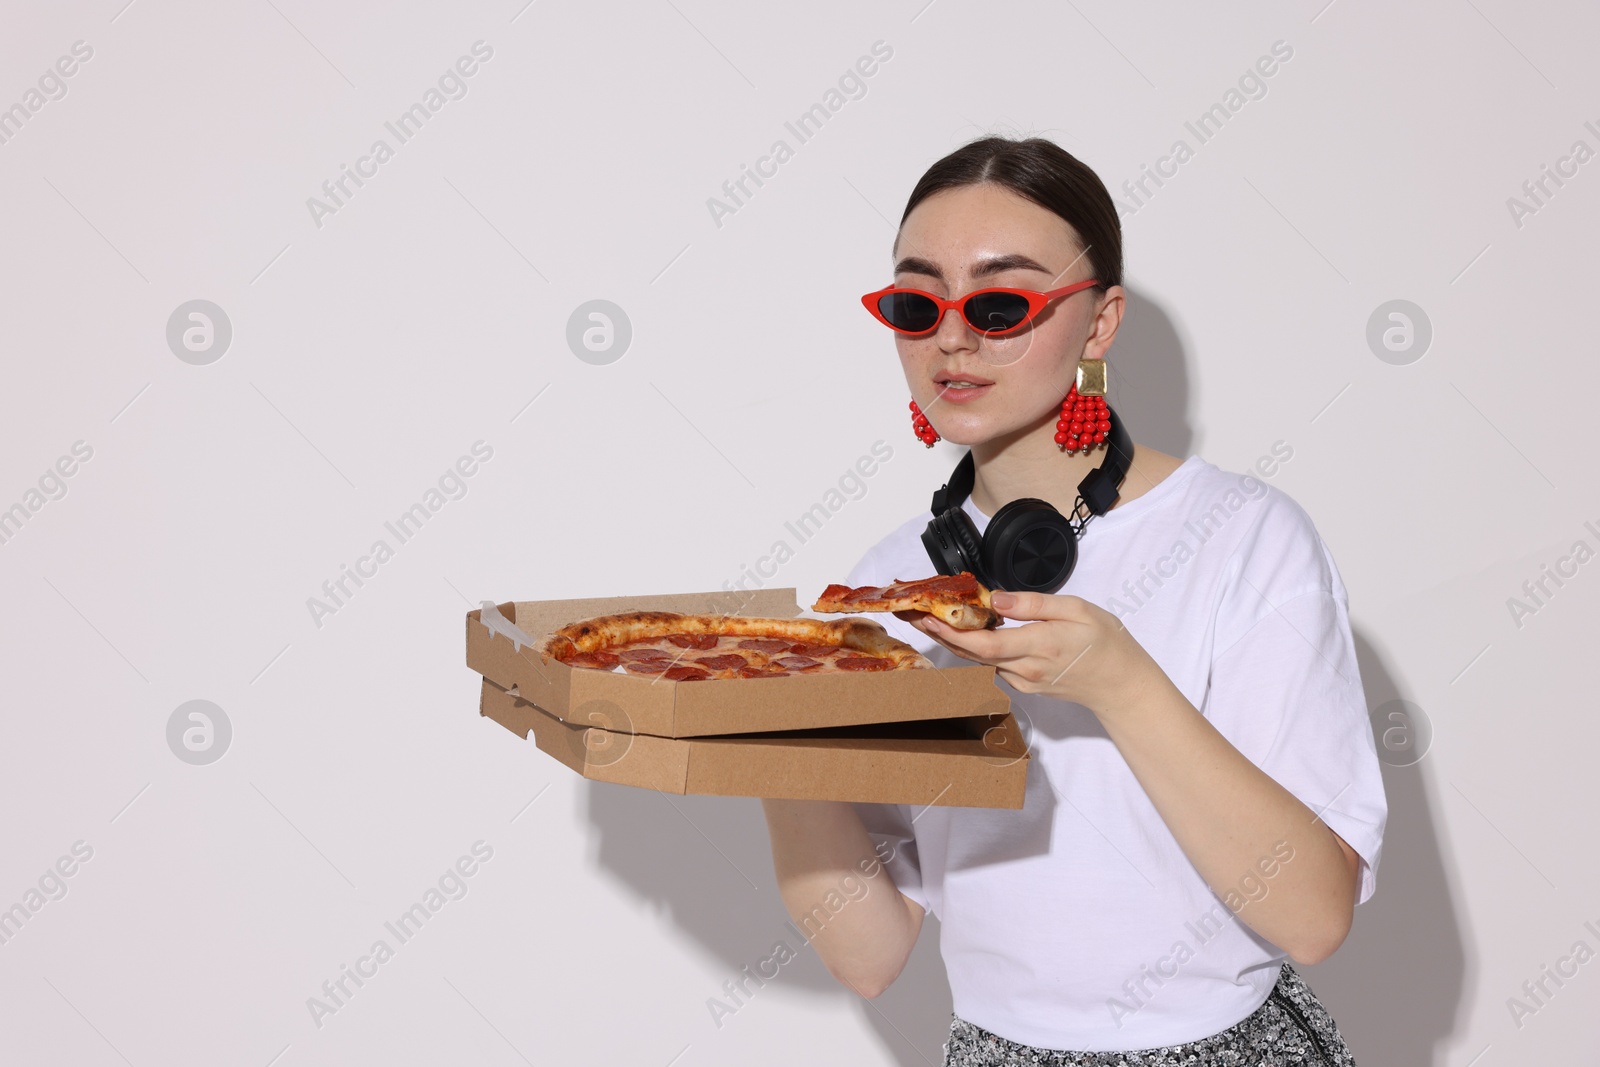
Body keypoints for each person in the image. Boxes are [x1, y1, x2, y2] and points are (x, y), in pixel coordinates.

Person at [759, 136, 1387, 1066]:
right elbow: (871, 954)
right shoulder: (892, 586)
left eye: (1001, 302)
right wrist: (769, 744)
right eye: (916, 302)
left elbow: (1314, 917)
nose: (953, 338)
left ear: (1099, 324)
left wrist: (1121, 682)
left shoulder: (1247, 537)